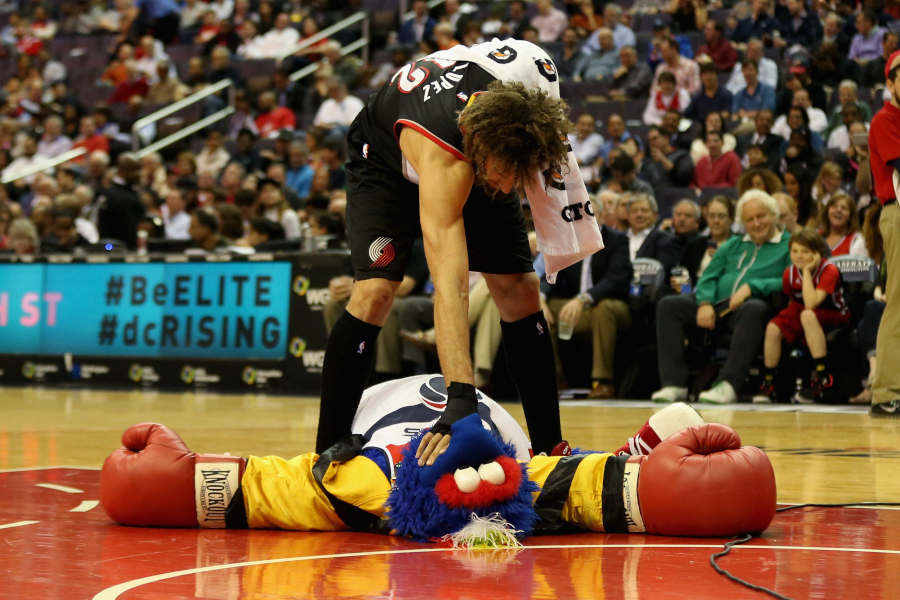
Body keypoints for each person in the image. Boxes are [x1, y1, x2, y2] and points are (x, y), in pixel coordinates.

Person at [316, 39, 601, 464]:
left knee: (520, 289)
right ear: (481, 150)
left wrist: (523, 176)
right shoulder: (446, 156)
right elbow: (450, 285)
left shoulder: (529, 104)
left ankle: (549, 447)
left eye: (516, 180)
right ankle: (329, 441)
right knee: (376, 291)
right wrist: (460, 398)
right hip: (385, 158)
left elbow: (544, 162)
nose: (508, 190)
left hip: (477, 132)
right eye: (506, 177)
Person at [99, 374, 776, 541]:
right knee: (557, 480)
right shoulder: (357, 479)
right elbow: (257, 488)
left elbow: (251, 489)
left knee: (549, 481)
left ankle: (630, 455)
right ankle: (632, 455)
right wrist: (656, 484)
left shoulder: (348, 483)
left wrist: (170, 484)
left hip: (481, 433)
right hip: (475, 436)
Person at [652, 190, 791, 404]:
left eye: (761, 216)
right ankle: (674, 383)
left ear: (774, 215)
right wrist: (705, 303)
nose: (756, 223)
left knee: (754, 308)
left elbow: (790, 279)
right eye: (749, 219)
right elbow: (708, 276)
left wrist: (753, 286)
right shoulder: (733, 244)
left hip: (752, 308)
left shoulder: (788, 245)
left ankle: (728, 384)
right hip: (718, 305)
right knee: (670, 305)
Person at [754, 229, 850, 403]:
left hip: (835, 314)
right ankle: (769, 383)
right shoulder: (788, 274)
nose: (799, 256)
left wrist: (806, 272)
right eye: (795, 251)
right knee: (773, 327)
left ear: (817, 253)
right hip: (804, 312)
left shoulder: (829, 270)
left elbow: (812, 303)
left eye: (805, 252)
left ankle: (822, 376)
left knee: (807, 314)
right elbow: (793, 301)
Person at [818, 192, 867, 256]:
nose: (838, 210)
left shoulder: (857, 241)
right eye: (834, 206)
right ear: (827, 211)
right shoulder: (816, 237)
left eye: (844, 208)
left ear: (850, 216)